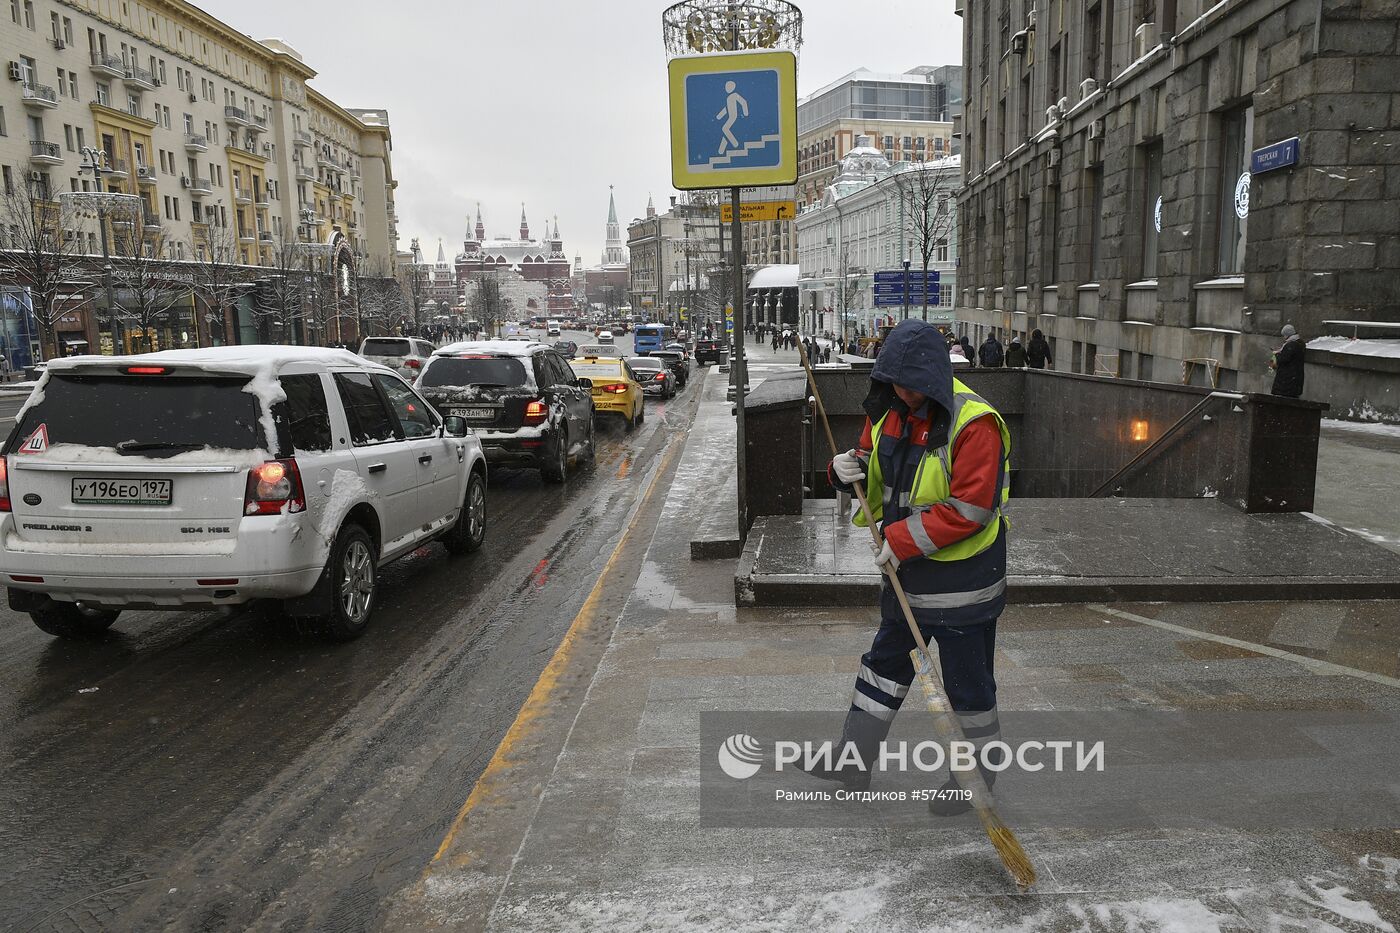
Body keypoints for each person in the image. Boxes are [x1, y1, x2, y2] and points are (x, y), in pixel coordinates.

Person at [814, 319, 1011, 815]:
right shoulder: (889, 411)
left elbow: (972, 509)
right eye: (894, 381)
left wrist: (900, 540)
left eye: (910, 383)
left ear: (931, 375)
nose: (902, 391)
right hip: (906, 581)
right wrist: (841, 471)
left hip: (964, 587)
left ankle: (974, 780)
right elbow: (865, 466)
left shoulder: (974, 423)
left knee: (969, 690)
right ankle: (852, 761)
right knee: (881, 670)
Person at [1271, 324, 1305, 398]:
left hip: (1287, 382)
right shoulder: (1298, 343)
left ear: (1287, 335)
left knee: (1283, 400)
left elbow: (1283, 358)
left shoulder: (1291, 345)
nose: (1284, 337)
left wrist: (1276, 354)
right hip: (1293, 380)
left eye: (1284, 335)